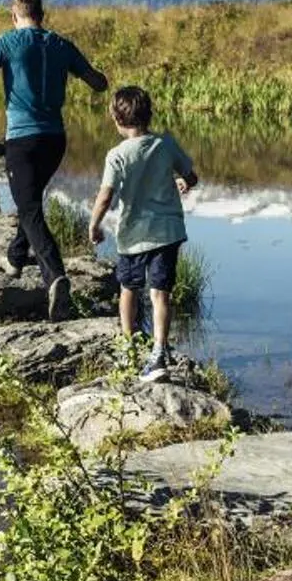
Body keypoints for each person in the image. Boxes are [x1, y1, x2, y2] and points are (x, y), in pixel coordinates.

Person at [0, 0, 108, 320]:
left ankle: (55, 276)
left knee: (29, 209)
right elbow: (98, 83)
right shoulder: (61, 44)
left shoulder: (6, 42)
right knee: (29, 202)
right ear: (42, 15)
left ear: (14, 16)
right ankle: (15, 258)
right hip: (55, 140)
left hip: (22, 140)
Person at [87, 84, 198, 383]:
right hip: (167, 232)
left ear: (116, 119)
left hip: (133, 235)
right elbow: (191, 176)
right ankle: (159, 352)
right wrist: (183, 182)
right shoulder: (166, 145)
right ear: (148, 115)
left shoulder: (116, 155)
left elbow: (105, 195)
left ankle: (129, 346)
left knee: (128, 289)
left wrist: (94, 225)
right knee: (161, 294)